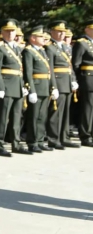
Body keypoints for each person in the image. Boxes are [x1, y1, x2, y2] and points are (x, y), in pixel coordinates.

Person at [0, 19, 30, 156]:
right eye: (7, 31)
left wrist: (24, 85)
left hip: (17, 86)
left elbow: (22, 69)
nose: (10, 33)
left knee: (17, 117)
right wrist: (0, 87)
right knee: (2, 118)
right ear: (2, 32)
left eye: (12, 31)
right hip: (6, 86)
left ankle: (16, 143)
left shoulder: (18, 48)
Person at [45, 21, 79, 149]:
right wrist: (53, 86)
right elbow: (51, 69)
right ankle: (54, 139)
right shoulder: (50, 47)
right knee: (56, 112)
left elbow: (70, 66)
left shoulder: (66, 47)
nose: (61, 34)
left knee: (65, 113)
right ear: (52, 32)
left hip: (67, 82)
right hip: (58, 82)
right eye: (59, 31)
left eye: (63, 31)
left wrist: (73, 80)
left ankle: (64, 137)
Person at [22, 26, 57, 153]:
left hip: (45, 86)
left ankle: (40, 140)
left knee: (42, 116)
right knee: (34, 116)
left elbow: (49, 71)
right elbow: (28, 72)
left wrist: (53, 87)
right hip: (36, 86)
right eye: (41, 37)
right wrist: (31, 90)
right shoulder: (28, 51)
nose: (44, 39)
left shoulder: (42, 51)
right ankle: (32, 142)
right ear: (33, 38)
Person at [72, 21, 93, 147]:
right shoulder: (82, 43)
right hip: (88, 78)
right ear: (87, 30)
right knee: (88, 109)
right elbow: (75, 64)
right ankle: (86, 135)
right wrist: (77, 80)